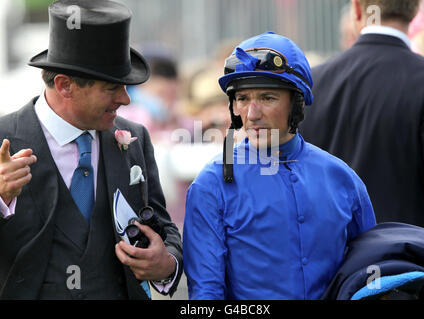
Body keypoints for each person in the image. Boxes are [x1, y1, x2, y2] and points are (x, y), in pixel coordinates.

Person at [0, 0, 182, 299]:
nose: (126, 99)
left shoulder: (134, 137)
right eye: (112, 88)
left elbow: (163, 228)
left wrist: (165, 263)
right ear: (65, 85)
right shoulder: (3, 139)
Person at [183, 31, 377, 300]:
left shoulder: (343, 178)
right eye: (242, 99)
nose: (252, 114)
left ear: (296, 104)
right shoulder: (211, 183)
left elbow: (370, 278)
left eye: (267, 98)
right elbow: (205, 294)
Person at [299, 0, 424, 238]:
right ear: (414, 10)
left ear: (357, 9)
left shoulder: (313, 84)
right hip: (412, 262)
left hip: (336, 263)